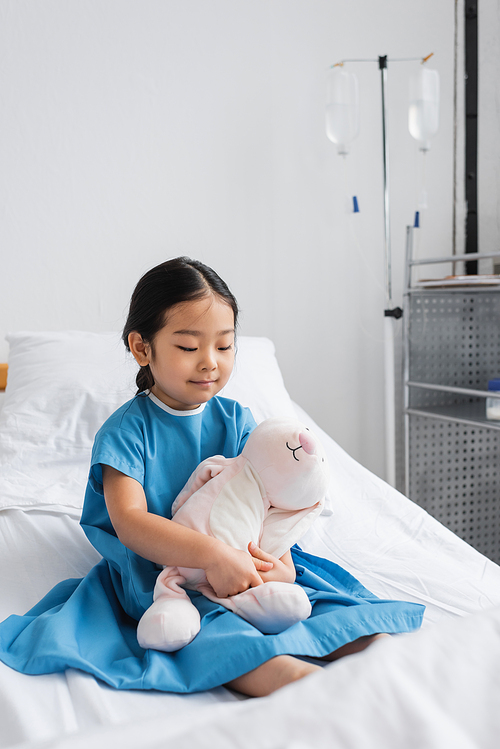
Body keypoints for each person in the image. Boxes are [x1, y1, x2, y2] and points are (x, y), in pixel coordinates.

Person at [0, 257, 425, 697]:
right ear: (143, 348)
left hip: (243, 560)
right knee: (229, 640)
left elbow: (268, 500)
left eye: (224, 347)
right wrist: (213, 557)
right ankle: (310, 694)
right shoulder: (127, 431)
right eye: (189, 347)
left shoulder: (236, 419)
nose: (209, 363)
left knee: (347, 624)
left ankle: (395, 684)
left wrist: (279, 562)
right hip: (166, 574)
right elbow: (131, 522)